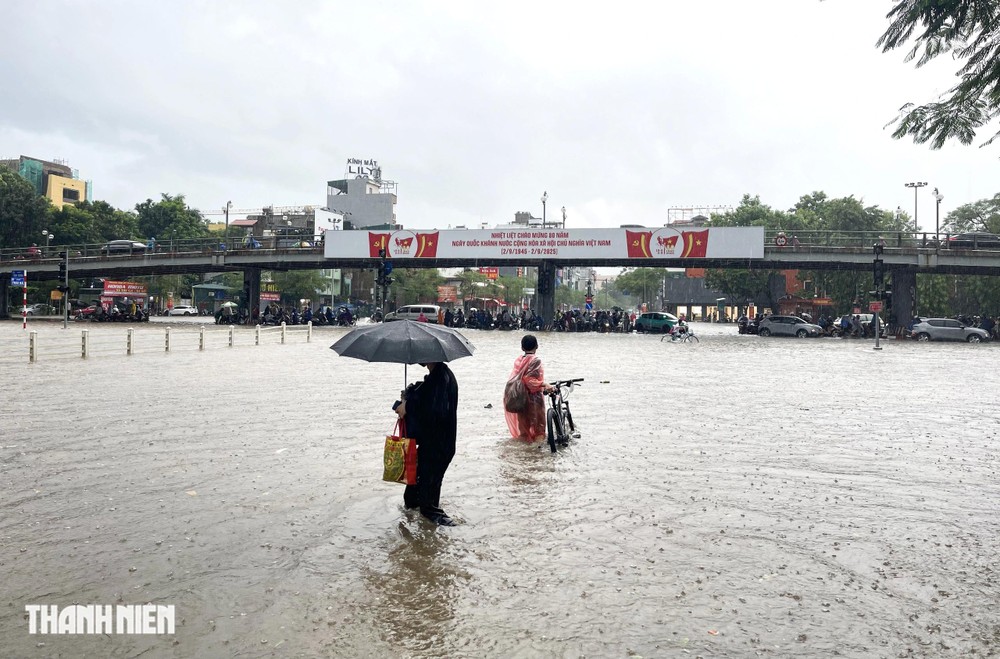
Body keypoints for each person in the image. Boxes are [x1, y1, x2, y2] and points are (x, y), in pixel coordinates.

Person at [396, 362, 460, 526]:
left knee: (428, 505)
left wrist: (408, 406)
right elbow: (428, 399)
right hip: (433, 444)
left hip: (437, 446)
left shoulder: (441, 378)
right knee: (412, 498)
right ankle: (420, 534)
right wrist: (408, 398)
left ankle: (451, 531)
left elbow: (435, 411)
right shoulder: (438, 376)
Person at [504, 335, 554, 442]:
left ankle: (523, 454)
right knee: (539, 429)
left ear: (522, 348)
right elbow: (530, 381)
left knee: (523, 429)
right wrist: (545, 384)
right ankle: (537, 454)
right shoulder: (535, 360)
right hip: (534, 399)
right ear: (537, 346)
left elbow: (520, 378)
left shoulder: (519, 360)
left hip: (519, 399)